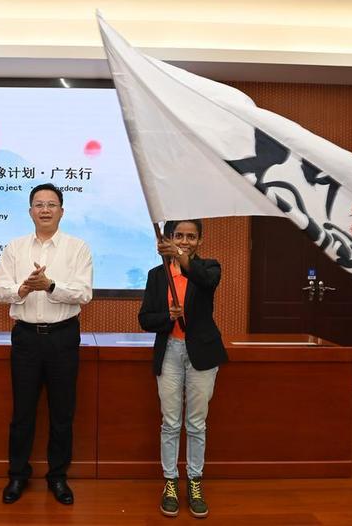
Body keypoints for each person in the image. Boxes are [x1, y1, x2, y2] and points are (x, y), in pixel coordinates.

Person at [0, 183, 92, 505]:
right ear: (30, 211)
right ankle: (17, 476)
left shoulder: (78, 248)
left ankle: (58, 477)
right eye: (39, 204)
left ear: (62, 211)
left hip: (63, 337)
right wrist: (22, 290)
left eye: (51, 204)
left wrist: (49, 286)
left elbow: (83, 294)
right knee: (22, 412)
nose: (45, 209)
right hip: (26, 338)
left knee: (62, 412)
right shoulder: (15, 248)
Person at [138, 219, 228, 519]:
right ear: (169, 237)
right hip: (170, 353)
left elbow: (205, 280)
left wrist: (179, 256)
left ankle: (195, 481)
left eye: (191, 237)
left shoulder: (209, 268)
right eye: (179, 236)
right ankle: (170, 482)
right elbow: (145, 319)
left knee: (196, 423)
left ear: (200, 241)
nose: (185, 241)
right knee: (171, 422)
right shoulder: (157, 275)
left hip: (202, 352)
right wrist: (168, 315)